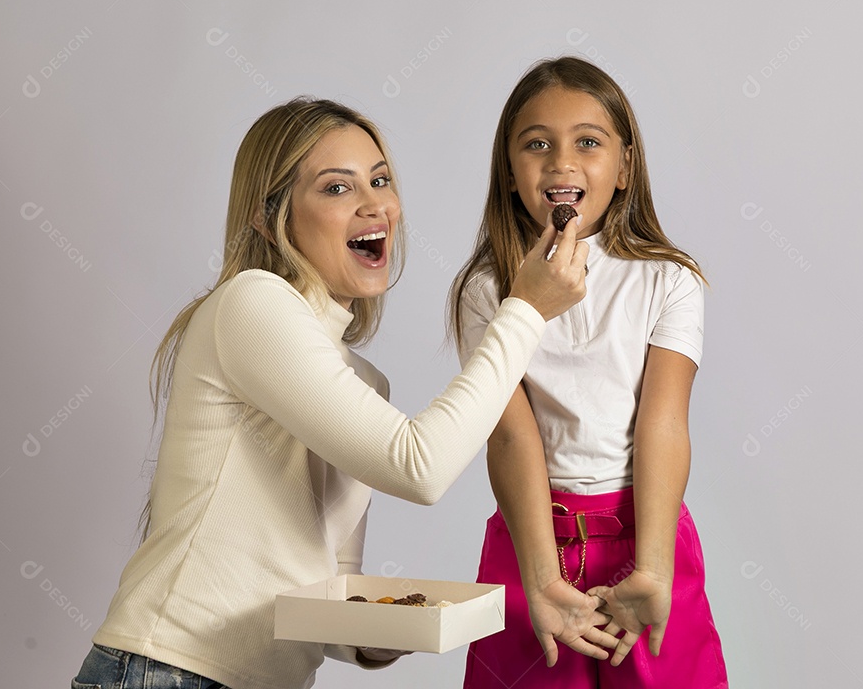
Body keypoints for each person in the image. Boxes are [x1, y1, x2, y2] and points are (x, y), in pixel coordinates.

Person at [71, 96, 598, 689]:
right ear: (268, 217)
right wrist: (525, 309)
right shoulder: (252, 303)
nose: (375, 204)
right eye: (337, 188)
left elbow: (325, 593)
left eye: (380, 181)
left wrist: (379, 637)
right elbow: (419, 467)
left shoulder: (361, 382)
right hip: (166, 671)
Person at [451, 57, 728, 688]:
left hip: (647, 533)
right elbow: (510, 434)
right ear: (509, 167)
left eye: (588, 142)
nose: (561, 162)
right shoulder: (488, 289)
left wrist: (653, 567)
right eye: (537, 144)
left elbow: (664, 422)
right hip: (532, 543)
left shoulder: (669, 280)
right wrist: (543, 576)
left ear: (625, 167)